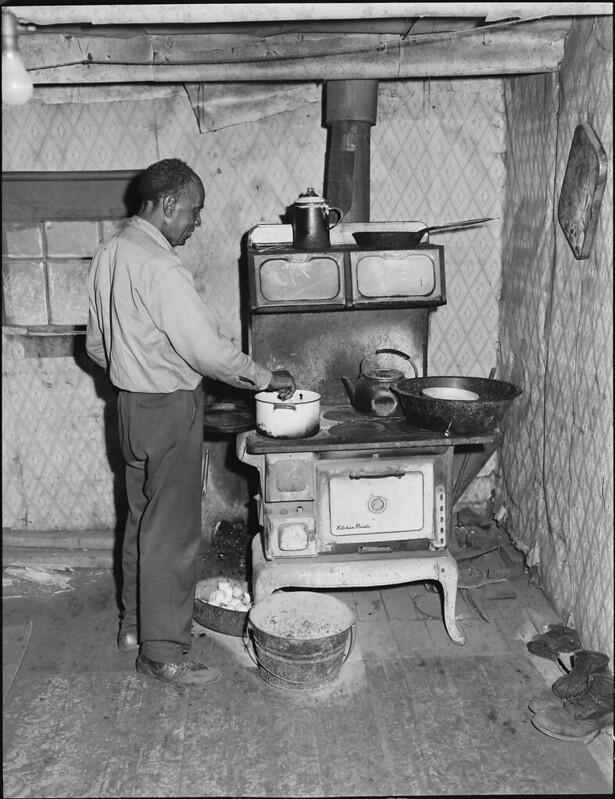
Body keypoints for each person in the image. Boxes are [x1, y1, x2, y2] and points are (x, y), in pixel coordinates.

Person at [86, 158, 295, 687]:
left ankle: (135, 626)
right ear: (169, 204)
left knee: (140, 521)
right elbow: (206, 351)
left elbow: (95, 344)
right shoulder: (162, 267)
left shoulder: (111, 253)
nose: (197, 222)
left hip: (130, 407)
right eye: (195, 211)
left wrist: (133, 369)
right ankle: (163, 652)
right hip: (169, 407)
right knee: (173, 536)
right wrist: (264, 378)